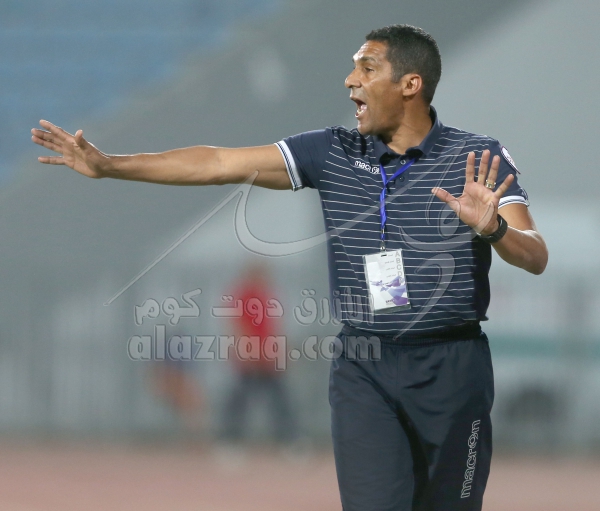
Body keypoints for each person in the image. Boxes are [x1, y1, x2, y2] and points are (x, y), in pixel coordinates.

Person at [31, 24, 547, 511]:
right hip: (364, 364)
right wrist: (111, 166)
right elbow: (218, 162)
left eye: (367, 68)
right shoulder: (333, 151)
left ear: (410, 84)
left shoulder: (476, 157)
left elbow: (535, 255)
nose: (350, 80)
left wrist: (493, 228)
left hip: (452, 368)